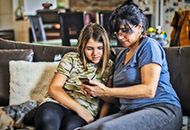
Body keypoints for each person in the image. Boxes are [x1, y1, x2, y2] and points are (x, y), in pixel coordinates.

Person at [80, 0, 183, 130]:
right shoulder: (121, 56)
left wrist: (107, 90)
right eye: (117, 32)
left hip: (161, 108)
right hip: (129, 112)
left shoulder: (148, 46)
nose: (120, 37)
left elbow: (149, 90)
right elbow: (117, 99)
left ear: (139, 27)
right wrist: (97, 92)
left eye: (125, 31)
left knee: (106, 128)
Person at [34, 23, 114, 130]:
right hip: (57, 104)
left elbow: (108, 99)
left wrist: (99, 122)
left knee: (70, 127)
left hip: (85, 112)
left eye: (100, 48)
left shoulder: (109, 66)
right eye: (90, 49)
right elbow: (54, 88)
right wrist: (80, 110)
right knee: (47, 124)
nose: (95, 53)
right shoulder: (71, 58)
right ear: (82, 47)